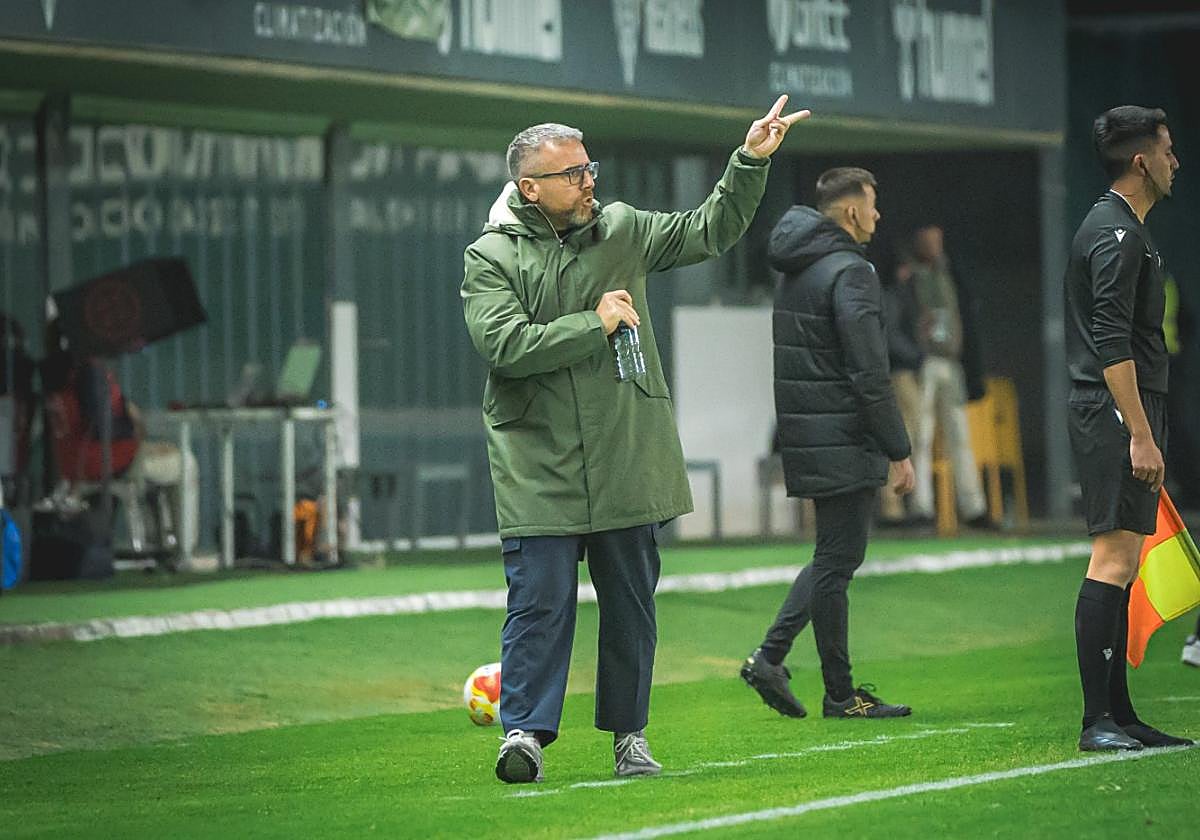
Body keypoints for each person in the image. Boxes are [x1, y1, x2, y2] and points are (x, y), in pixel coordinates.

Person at [461, 97, 810, 784]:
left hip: (627, 451)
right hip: (538, 463)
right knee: (539, 603)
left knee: (631, 608)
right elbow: (504, 345)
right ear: (530, 187)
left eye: (590, 168)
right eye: (572, 174)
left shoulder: (622, 228)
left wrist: (750, 161)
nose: (590, 181)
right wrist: (594, 323)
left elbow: (709, 230)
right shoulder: (490, 257)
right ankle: (525, 734)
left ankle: (631, 738)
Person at [739, 167, 916, 720]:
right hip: (843, 432)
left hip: (809, 431)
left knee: (833, 559)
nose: (878, 216)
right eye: (873, 204)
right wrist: (898, 448)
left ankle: (838, 693)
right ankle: (772, 659)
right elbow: (868, 370)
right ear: (850, 212)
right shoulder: (852, 272)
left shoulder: (796, 270)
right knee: (837, 560)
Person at [1063, 105, 1191, 751]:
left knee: (1127, 559)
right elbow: (1111, 341)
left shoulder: (1126, 228)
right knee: (1112, 559)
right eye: (1168, 151)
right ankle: (1096, 722)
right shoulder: (1114, 234)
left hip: (1128, 410)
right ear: (1142, 160)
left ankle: (1122, 715)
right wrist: (1139, 432)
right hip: (1112, 411)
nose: (1176, 162)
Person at [903, 225, 990, 529]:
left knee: (960, 436)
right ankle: (922, 507)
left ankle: (974, 507)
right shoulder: (911, 276)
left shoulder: (951, 274)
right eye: (929, 242)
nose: (935, 247)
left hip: (951, 362)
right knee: (922, 436)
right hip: (925, 361)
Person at [879, 261, 924, 525]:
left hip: (903, 369)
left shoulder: (900, 294)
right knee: (902, 437)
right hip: (901, 373)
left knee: (909, 437)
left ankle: (899, 505)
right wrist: (917, 356)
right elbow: (892, 336)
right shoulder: (893, 296)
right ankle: (892, 506)